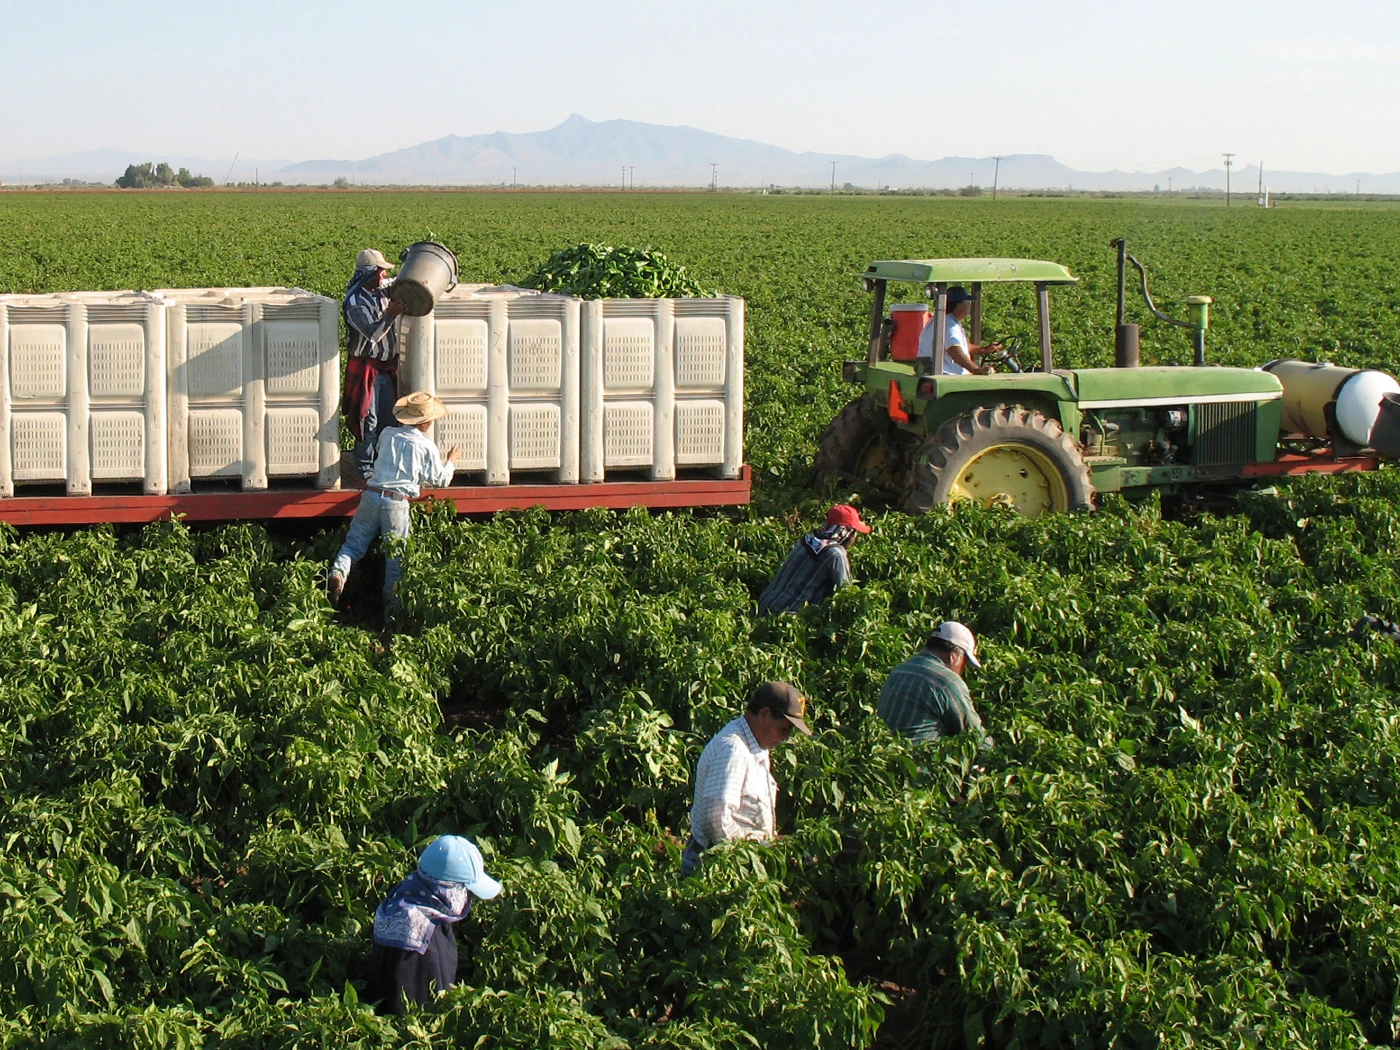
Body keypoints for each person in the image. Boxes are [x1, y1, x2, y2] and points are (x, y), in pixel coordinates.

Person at [327, 392, 459, 616]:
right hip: (396, 503)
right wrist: (451, 462)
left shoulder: (387, 434)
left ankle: (338, 573)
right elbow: (441, 480)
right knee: (396, 561)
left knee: (353, 545)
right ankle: (391, 617)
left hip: (371, 495)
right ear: (426, 422)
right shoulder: (427, 447)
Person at [682, 682, 812, 876]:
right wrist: (750, 857)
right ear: (764, 715)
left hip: (733, 861)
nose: (785, 738)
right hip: (717, 866)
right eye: (783, 729)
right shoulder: (734, 751)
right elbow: (715, 819)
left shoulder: (756, 744)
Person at [366, 834, 502, 1016]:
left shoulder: (410, 898)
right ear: (448, 888)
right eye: (465, 890)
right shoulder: (419, 939)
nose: (468, 898)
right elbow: (413, 1006)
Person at [344, 248, 408, 482]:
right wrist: (389, 315)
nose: (383, 275)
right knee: (366, 420)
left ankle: (383, 464)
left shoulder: (381, 291)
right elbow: (372, 334)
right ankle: (363, 468)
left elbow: (402, 283)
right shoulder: (355, 303)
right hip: (366, 368)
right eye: (380, 271)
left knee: (389, 418)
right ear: (369, 273)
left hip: (386, 367)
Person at [878, 622, 992, 748]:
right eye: (964, 662)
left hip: (886, 758)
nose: (962, 669)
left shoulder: (900, 670)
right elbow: (974, 734)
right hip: (919, 763)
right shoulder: (947, 681)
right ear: (954, 656)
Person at [758, 504, 871, 616]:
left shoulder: (807, 539)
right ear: (847, 532)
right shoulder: (835, 554)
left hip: (764, 605)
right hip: (787, 617)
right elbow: (845, 594)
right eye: (854, 533)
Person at [916, 286, 1001, 375]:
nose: (969, 305)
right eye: (967, 302)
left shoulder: (938, 321)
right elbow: (954, 350)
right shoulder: (950, 325)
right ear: (959, 305)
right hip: (947, 375)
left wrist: (984, 349)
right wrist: (976, 370)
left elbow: (957, 345)